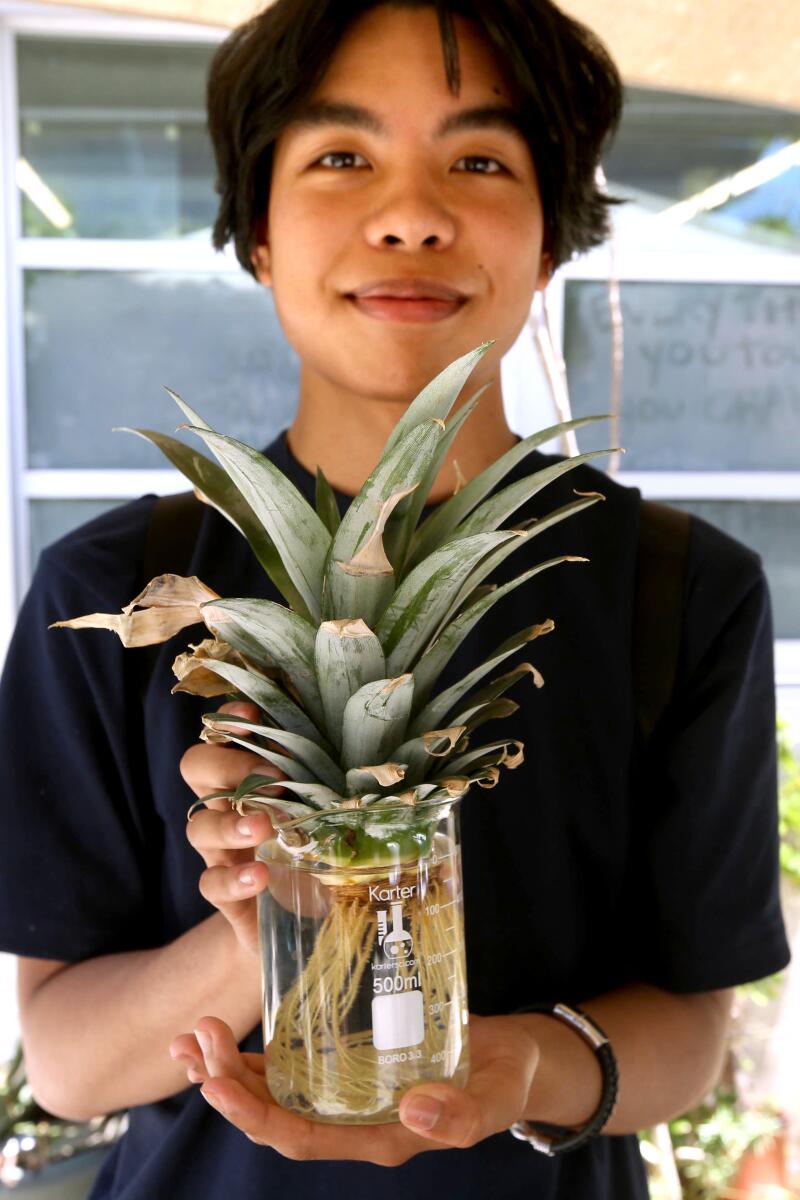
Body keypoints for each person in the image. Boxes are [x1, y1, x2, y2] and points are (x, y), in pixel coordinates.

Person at [0, 2, 789, 1197]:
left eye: (477, 160)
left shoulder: (679, 588)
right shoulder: (119, 589)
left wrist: (523, 1067)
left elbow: (688, 1029)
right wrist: (264, 918)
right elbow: (65, 1061)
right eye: (339, 158)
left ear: (549, 235)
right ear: (256, 231)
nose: (411, 215)